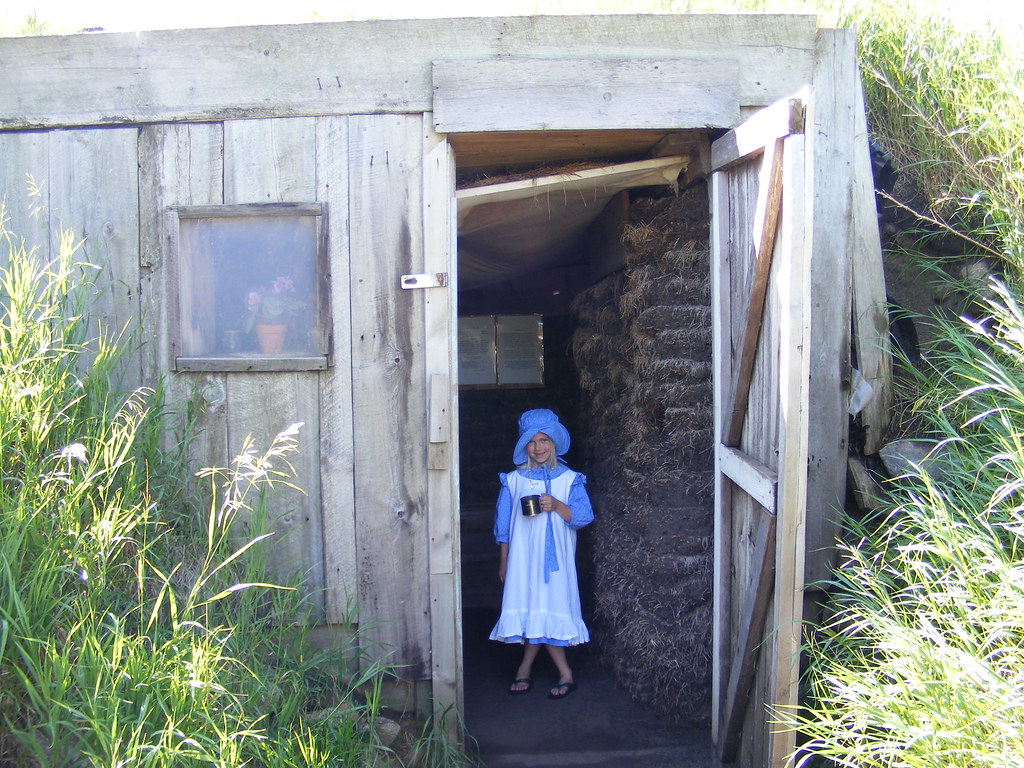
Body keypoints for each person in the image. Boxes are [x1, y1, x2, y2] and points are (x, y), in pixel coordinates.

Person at [490, 408, 594, 700]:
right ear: (524, 445)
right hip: (523, 560)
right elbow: (503, 526)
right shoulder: (513, 481)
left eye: (544, 440)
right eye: (532, 441)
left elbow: (583, 517)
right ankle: (547, 672)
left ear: (554, 442)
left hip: (556, 563)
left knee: (549, 607)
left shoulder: (570, 479)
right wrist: (504, 562)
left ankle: (550, 671)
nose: (538, 447)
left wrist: (556, 505)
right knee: (532, 608)